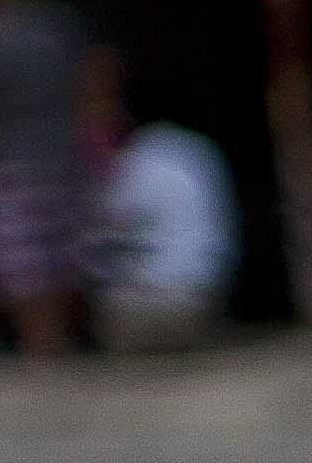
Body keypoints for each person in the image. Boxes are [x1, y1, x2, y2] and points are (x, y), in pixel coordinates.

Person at [0, 0, 98, 358]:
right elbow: (86, 85)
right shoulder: (57, 30)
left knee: (21, 260)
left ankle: (37, 342)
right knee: (61, 254)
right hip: (60, 157)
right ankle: (60, 339)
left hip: (11, 164)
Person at [83, 48, 239, 352]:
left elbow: (110, 232)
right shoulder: (203, 151)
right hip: (208, 295)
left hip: (160, 304)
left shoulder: (140, 158)